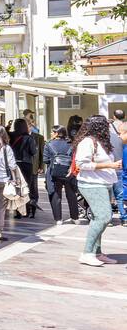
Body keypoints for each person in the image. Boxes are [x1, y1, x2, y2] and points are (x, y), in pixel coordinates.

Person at [72, 115, 120, 267]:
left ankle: (97, 252)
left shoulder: (101, 142)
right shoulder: (87, 142)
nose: (109, 128)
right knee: (103, 217)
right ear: (100, 127)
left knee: (99, 218)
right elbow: (81, 164)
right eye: (106, 125)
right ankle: (87, 253)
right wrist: (109, 166)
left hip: (104, 183)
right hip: (92, 184)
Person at [44, 125, 79, 224]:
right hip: (68, 172)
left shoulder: (48, 144)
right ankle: (75, 217)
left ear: (56, 133)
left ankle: (58, 219)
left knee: (55, 195)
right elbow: (75, 158)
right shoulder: (71, 144)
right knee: (71, 194)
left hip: (54, 173)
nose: (51, 134)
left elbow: (45, 160)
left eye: (52, 132)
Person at [9, 118, 40, 219]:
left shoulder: (11, 136)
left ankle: (18, 211)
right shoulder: (29, 138)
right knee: (26, 187)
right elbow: (34, 152)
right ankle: (26, 210)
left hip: (14, 165)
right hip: (26, 164)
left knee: (16, 187)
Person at [110, 109, 127, 224]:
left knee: (109, 196)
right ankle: (124, 218)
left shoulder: (109, 134)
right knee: (120, 196)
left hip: (111, 168)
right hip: (119, 168)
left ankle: (109, 218)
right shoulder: (123, 143)